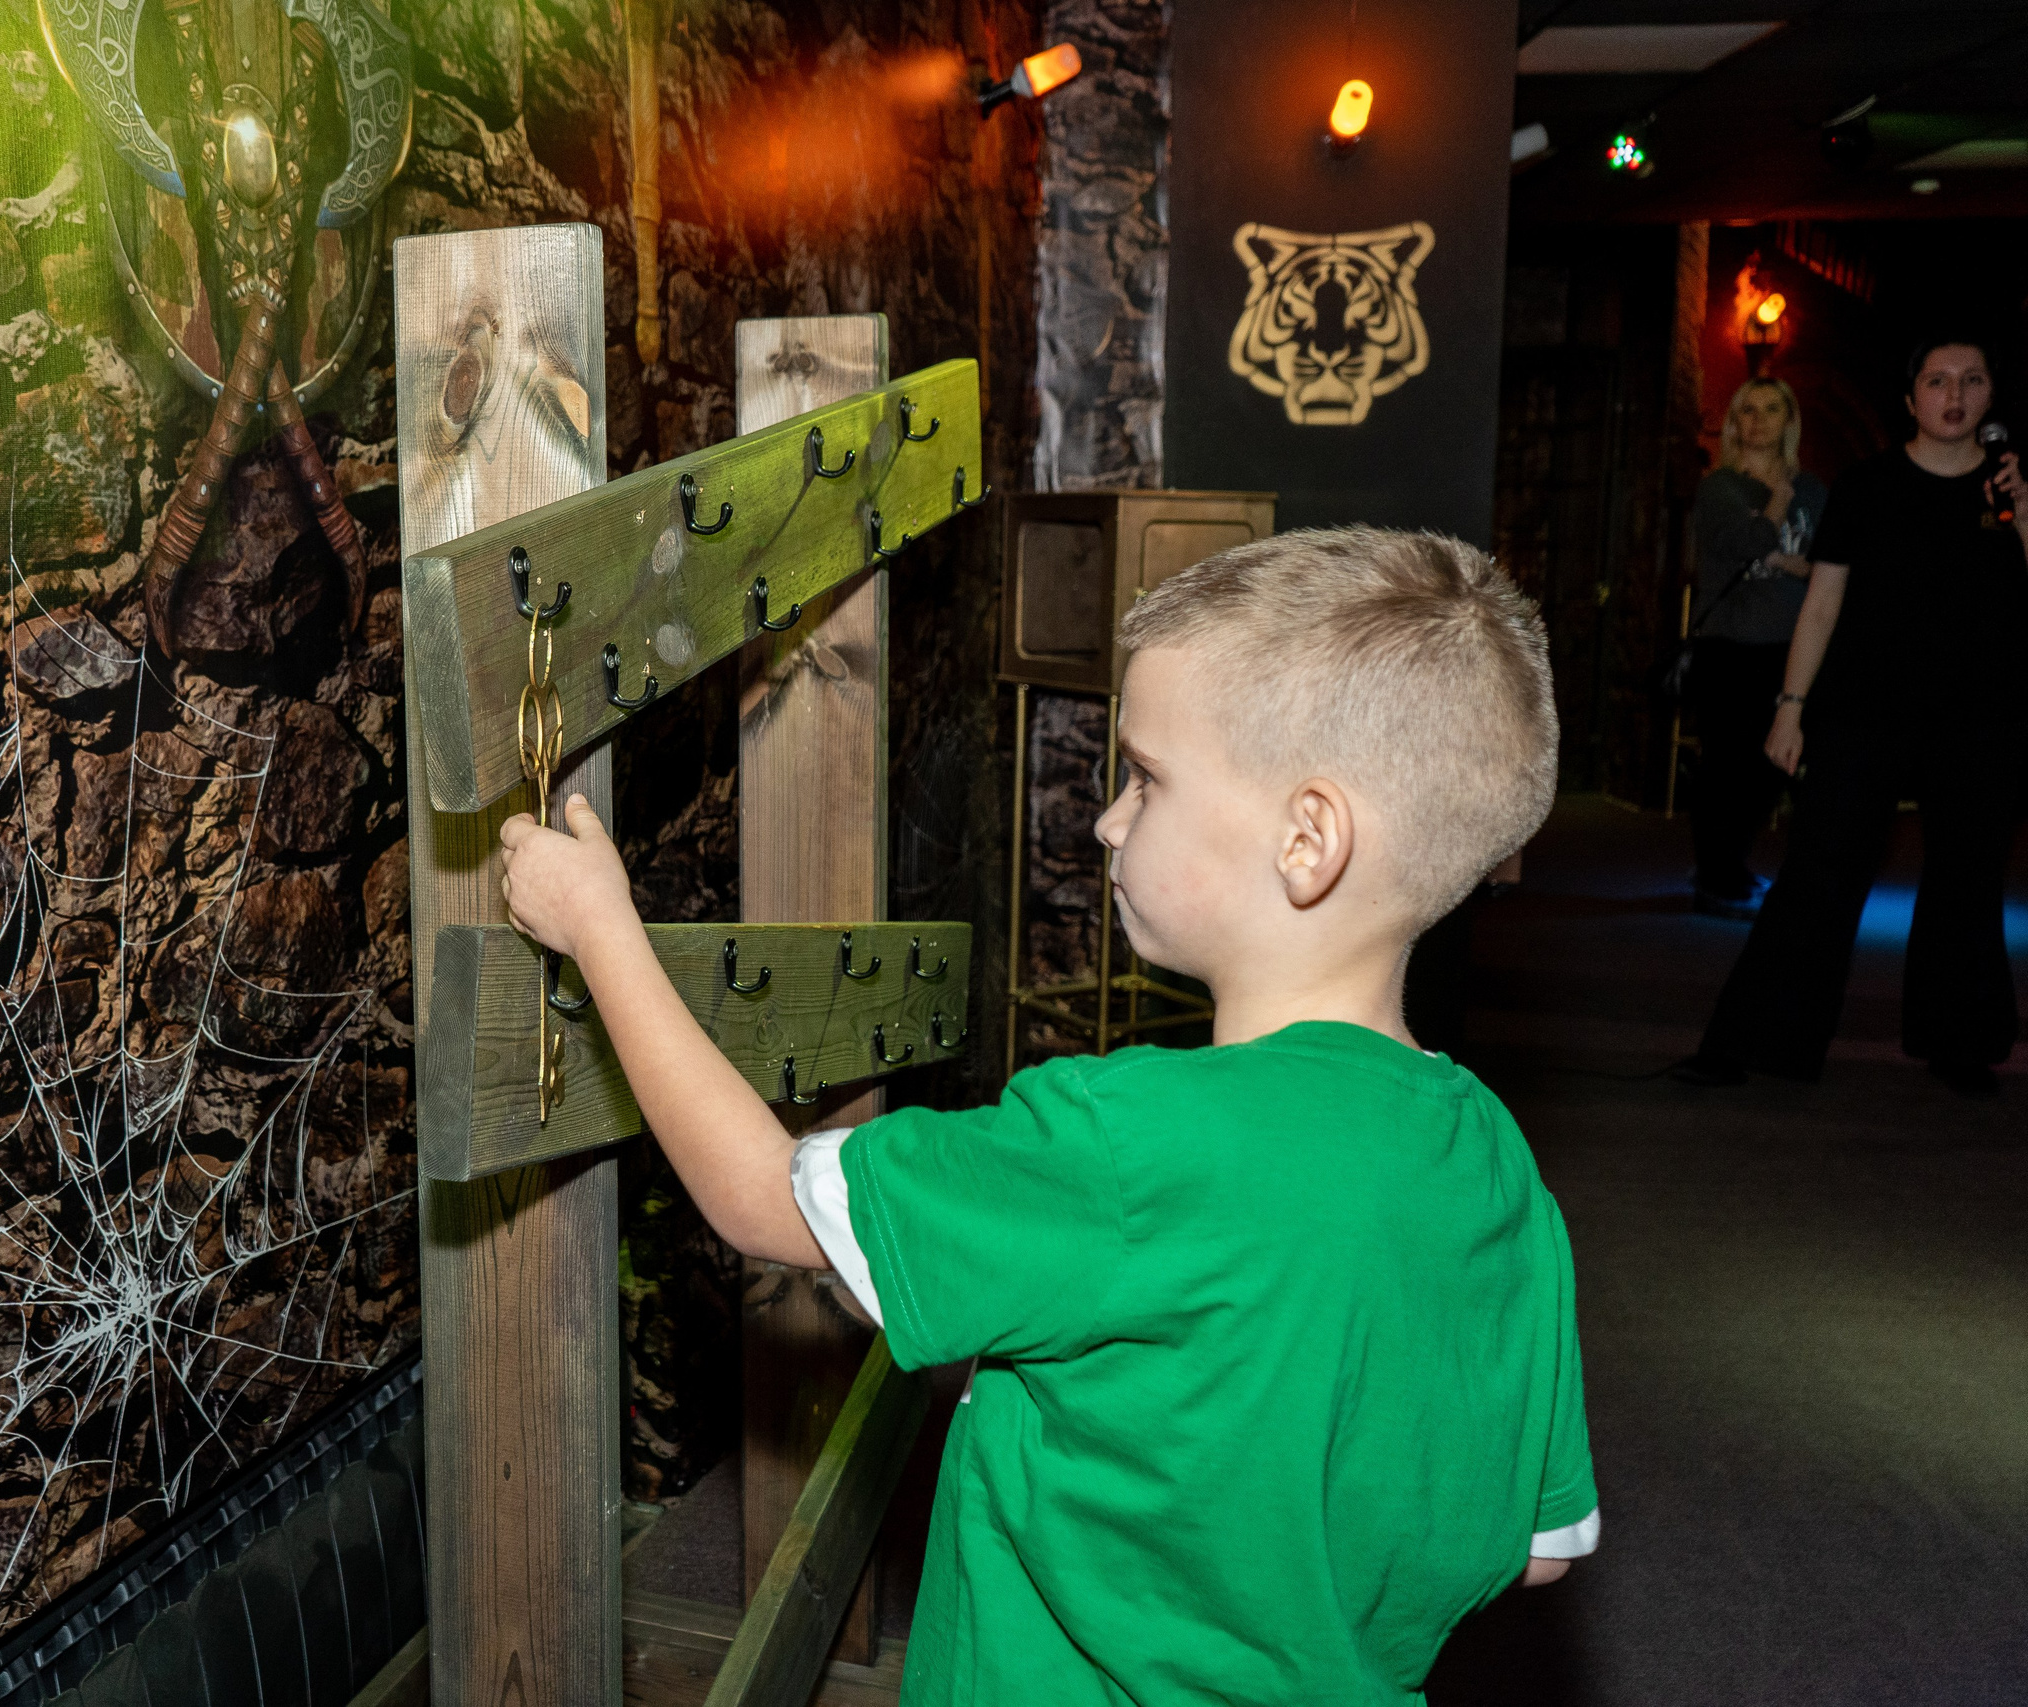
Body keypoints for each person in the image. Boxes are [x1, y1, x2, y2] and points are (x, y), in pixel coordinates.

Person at [500, 529, 1596, 1704]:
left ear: (1307, 840)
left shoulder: (1125, 1142)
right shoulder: (1494, 1165)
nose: (1108, 821)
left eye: (1144, 776)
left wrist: (602, 931)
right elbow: (1537, 1549)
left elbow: (762, 1200)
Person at [1678, 336, 2028, 1097]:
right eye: (1937, 380)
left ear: (1990, 398)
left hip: (1977, 714)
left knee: (1967, 874)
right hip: (1865, 707)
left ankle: (1959, 1042)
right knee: (1822, 868)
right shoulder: (1867, 486)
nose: (1954, 394)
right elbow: (1823, 604)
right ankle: (1756, 1037)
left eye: (1972, 380)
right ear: (1912, 400)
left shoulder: (2011, 490)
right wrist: (1792, 706)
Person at [1685, 377, 1825, 918]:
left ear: (1789, 421)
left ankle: (1728, 863)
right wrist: (1775, 507)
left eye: (1771, 410)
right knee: (1726, 765)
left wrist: (1787, 561)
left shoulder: (1812, 490)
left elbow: (1829, 564)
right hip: (1729, 644)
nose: (1759, 420)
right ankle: (1717, 878)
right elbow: (1746, 545)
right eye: (1748, 410)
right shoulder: (1720, 488)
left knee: (1773, 766)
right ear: (1734, 423)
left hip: (1790, 647)